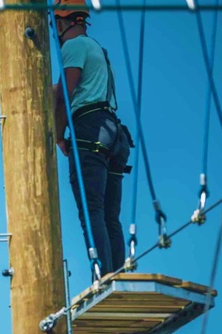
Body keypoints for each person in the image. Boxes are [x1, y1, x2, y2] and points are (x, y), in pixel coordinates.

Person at [52, 0, 132, 279]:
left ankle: (104, 279)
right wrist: (3, 97)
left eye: (55, 24)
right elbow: (57, 89)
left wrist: (59, 134)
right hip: (114, 133)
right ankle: (117, 277)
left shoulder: (73, 47)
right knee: (110, 216)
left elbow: (65, 95)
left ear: (63, 22)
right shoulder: (95, 48)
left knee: (92, 211)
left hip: (90, 130)